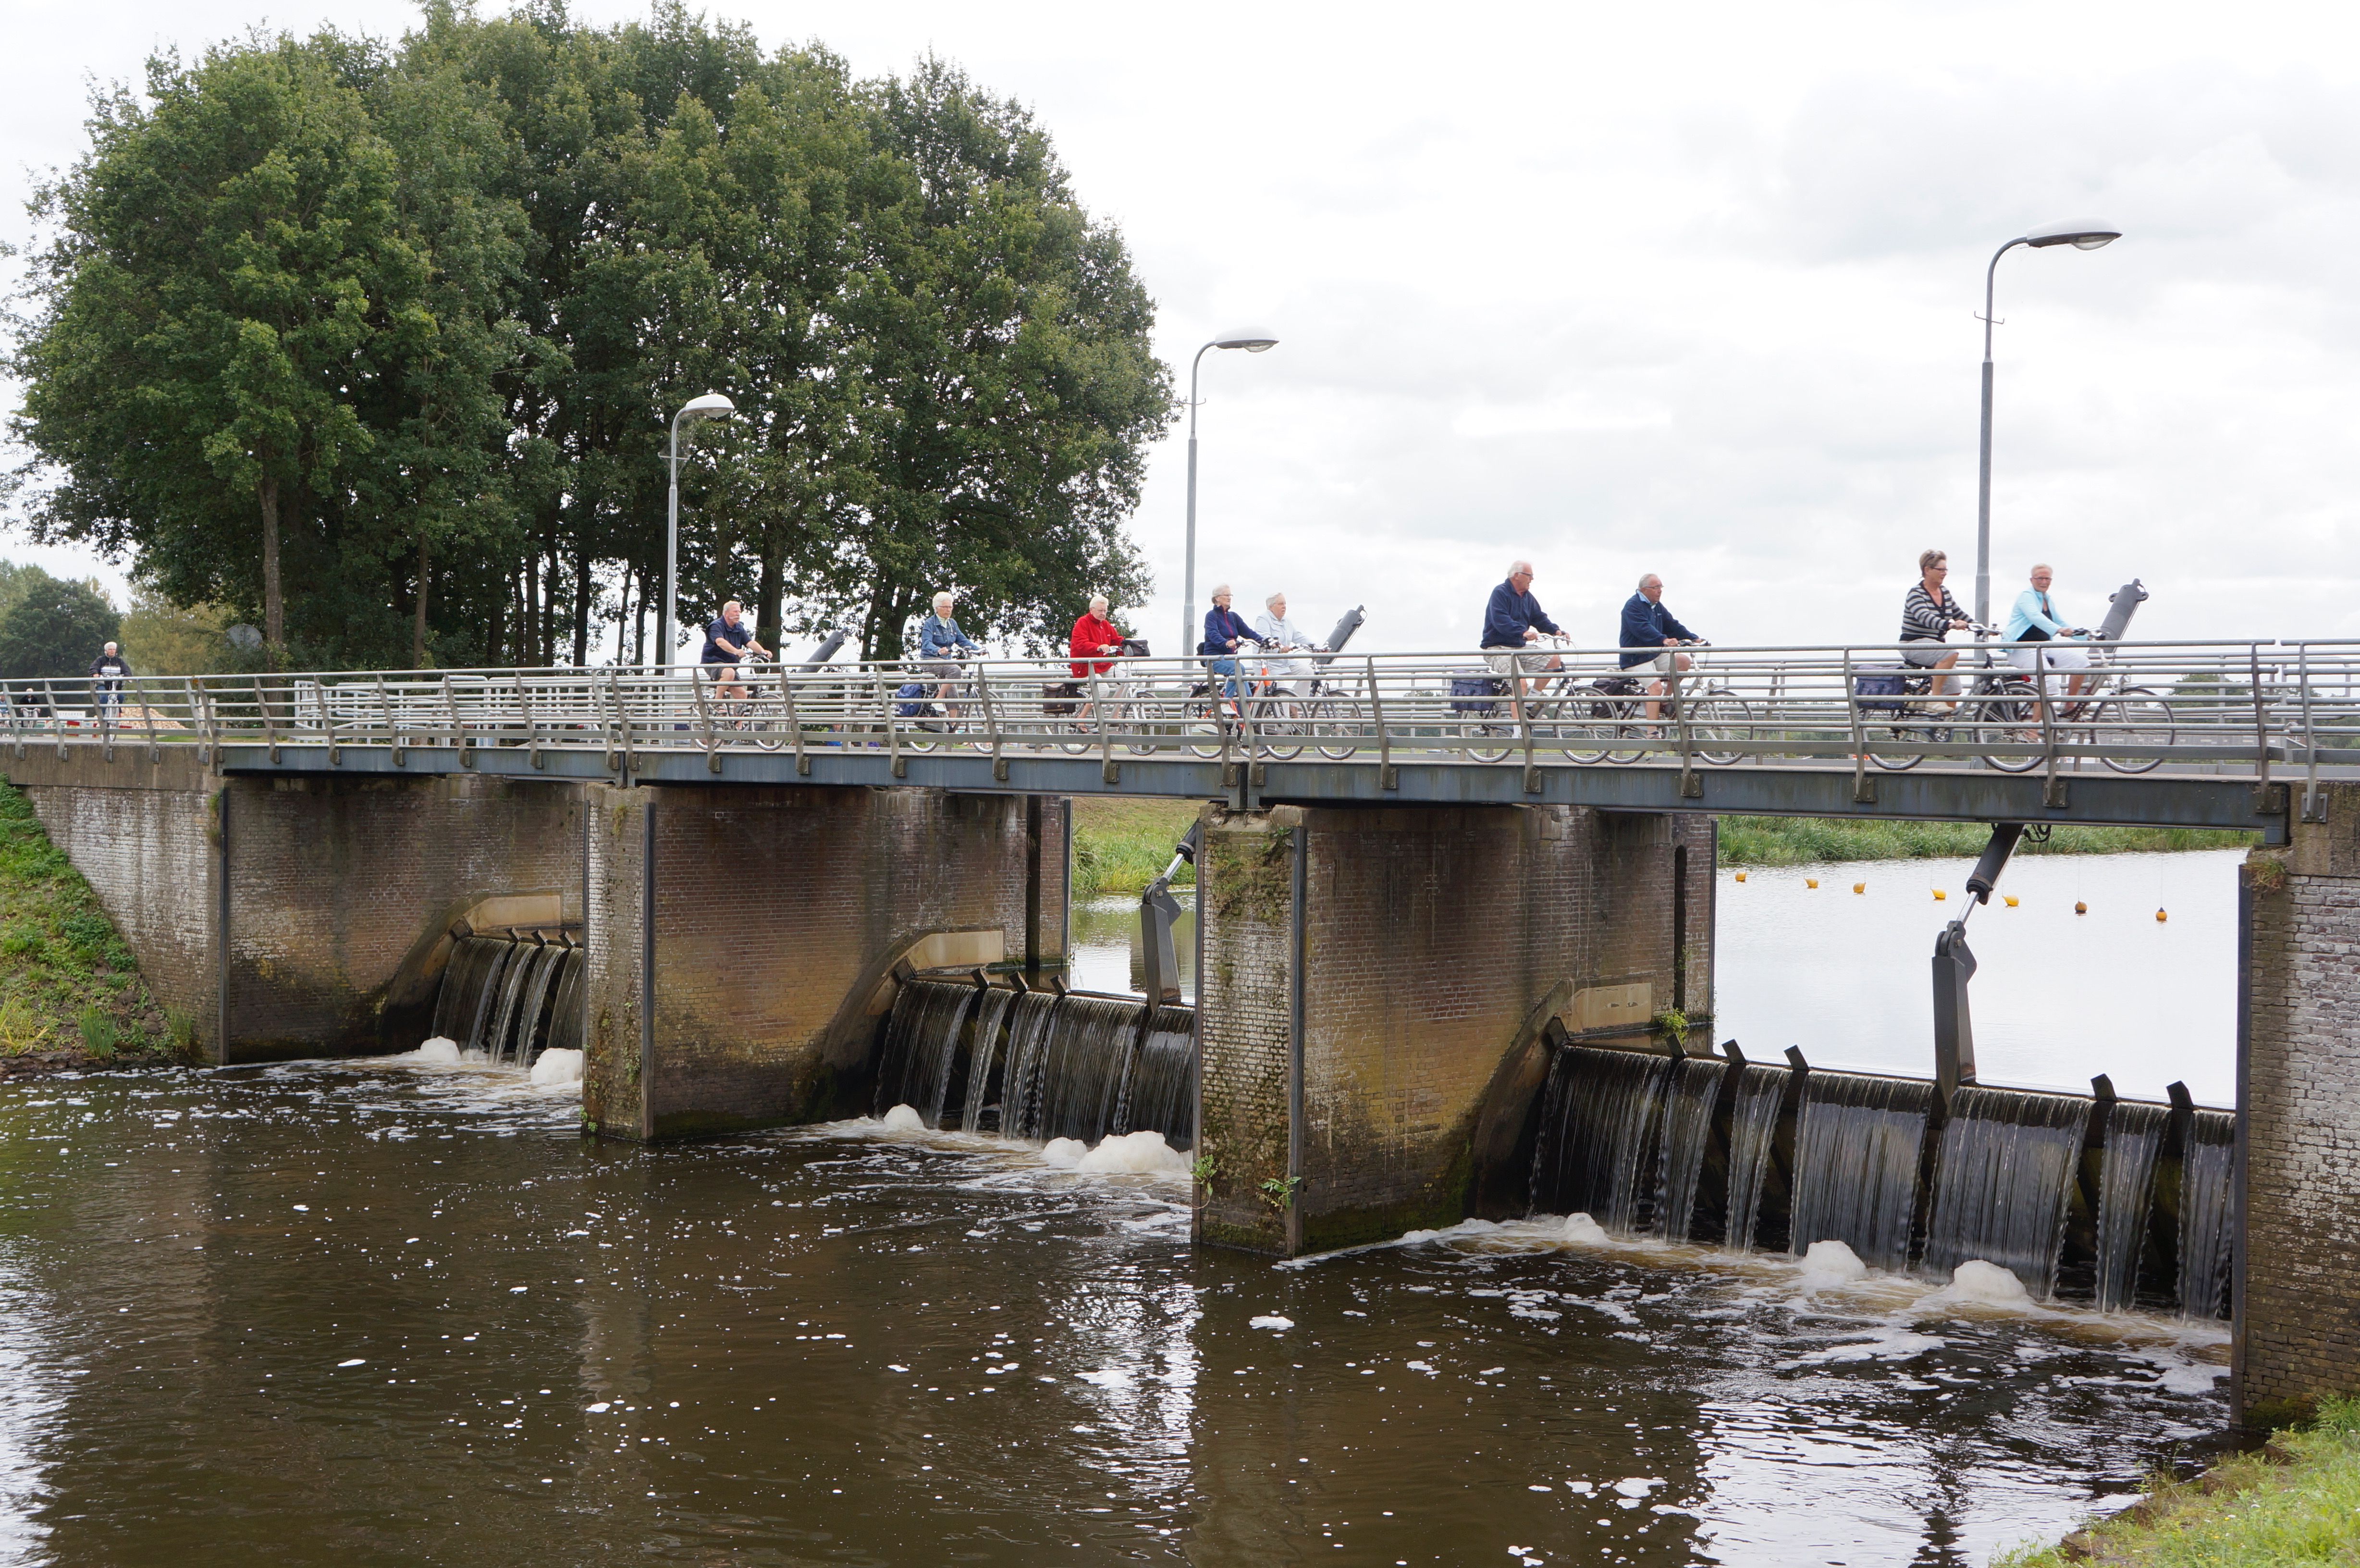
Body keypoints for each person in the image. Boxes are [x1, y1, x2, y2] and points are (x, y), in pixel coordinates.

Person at [2003, 563, 2094, 706]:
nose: (2044, 582)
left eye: (2047, 579)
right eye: (2040, 578)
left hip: (2043, 647)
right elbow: (2035, 616)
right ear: (2032, 580)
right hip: (2023, 649)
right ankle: (2036, 721)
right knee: (2049, 685)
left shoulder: (2047, 599)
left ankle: (2069, 706)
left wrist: (2088, 637)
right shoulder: (2026, 596)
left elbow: (2060, 622)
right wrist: (2058, 630)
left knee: (2081, 663)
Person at [1619, 574, 1699, 722]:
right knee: (1656, 688)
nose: (1660, 591)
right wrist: (1663, 640)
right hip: (1635, 658)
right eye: (1656, 587)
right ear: (1644, 590)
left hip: (1653, 654)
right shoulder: (1633, 606)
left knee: (1683, 662)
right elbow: (1643, 629)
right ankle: (1652, 731)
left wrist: (1693, 638)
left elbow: (1672, 625)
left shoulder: (1657, 606)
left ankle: (1665, 701)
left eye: (1661, 587)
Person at [1481, 560, 1563, 695]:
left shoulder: (1527, 598)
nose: (1532, 579)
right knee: (1520, 684)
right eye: (1529, 575)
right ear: (1517, 575)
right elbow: (1501, 620)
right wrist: (1523, 632)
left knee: (1554, 660)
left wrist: (1556, 630)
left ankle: (1533, 699)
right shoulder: (1500, 593)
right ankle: (1518, 709)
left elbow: (1538, 617)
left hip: (1519, 647)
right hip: (1498, 648)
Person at [1899, 549, 1970, 705]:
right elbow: (1926, 618)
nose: (1944, 573)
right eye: (1941, 570)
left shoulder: (1944, 592)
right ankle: (1935, 699)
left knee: (1954, 690)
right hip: (1913, 644)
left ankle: (1942, 720)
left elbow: (1959, 613)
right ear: (1927, 570)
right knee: (1950, 653)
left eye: (1946, 570)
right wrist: (1950, 625)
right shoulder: (1916, 594)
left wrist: (1980, 627)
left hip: (1936, 647)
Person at [1197, 585, 1266, 709]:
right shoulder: (1212, 616)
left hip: (1231, 659)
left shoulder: (1233, 617)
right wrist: (1225, 642)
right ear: (1217, 598)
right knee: (1238, 669)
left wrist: (1265, 641)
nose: (1229, 598)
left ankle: (1240, 721)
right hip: (1215, 658)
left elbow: (1248, 632)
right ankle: (1225, 702)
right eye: (1226, 595)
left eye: (1230, 595)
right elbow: (1213, 634)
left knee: (1247, 696)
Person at [1252, 592, 1327, 697]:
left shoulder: (1287, 621)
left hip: (1284, 662)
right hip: (1270, 665)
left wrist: (1316, 648)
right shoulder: (1263, 619)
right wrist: (1280, 648)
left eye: (1285, 604)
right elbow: (1265, 638)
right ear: (1271, 607)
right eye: (1281, 604)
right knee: (1283, 694)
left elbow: (1298, 636)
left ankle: (1297, 704)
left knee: (1308, 672)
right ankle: (1286, 707)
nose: (1284, 607)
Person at [1069, 594, 1127, 724]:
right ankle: (1081, 719)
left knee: (1126, 681)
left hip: (1103, 665)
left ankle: (1115, 715)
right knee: (1103, 690)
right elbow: (1081, 644)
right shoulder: (1083, 623)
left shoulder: (1105, 625)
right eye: (1100, 610)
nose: (1103, 614)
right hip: (1085, 666)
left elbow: (1116, 640)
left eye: (1105, 611)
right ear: (1092, 610)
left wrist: (1129, 646)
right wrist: (1097, 647)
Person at [700, 601, 772, 704]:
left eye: (739, 612)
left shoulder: (739, 627)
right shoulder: (716, 626)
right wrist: (736, 651)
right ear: (726, 613)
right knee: (729, 672)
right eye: (735, 612)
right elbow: (720, 642)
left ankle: (737, 715)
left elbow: (749, 642)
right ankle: (717, 702)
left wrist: (763, 651)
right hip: (714, 662)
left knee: (742, 695)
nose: (738, 614)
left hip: (730, 664)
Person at [917, 590, 981, 703]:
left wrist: (978, 650)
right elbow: (926, 643)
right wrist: (938, 650)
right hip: (931, 660)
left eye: (951, 607)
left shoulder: (952, 624)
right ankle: (940, 699)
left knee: (953, 695)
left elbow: (962, 640)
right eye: (946, 607)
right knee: (955, 670)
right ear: (937, 608)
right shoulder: (930, 623)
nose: (949, 610)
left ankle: (953, 716)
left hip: (946, 662)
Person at [87, 641, 130, 723]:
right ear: (106, 651)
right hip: (103, 684)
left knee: (121, 697)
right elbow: (93, 668)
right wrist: (95, 674)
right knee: (104, 697)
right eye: (110, 649)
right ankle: (103, 718)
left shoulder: (119, 661)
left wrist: (128, 676)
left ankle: (118, 712)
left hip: (116, 684)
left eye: (114, 649)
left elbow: (126, 669)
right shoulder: (101, 660)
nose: (112, 651)